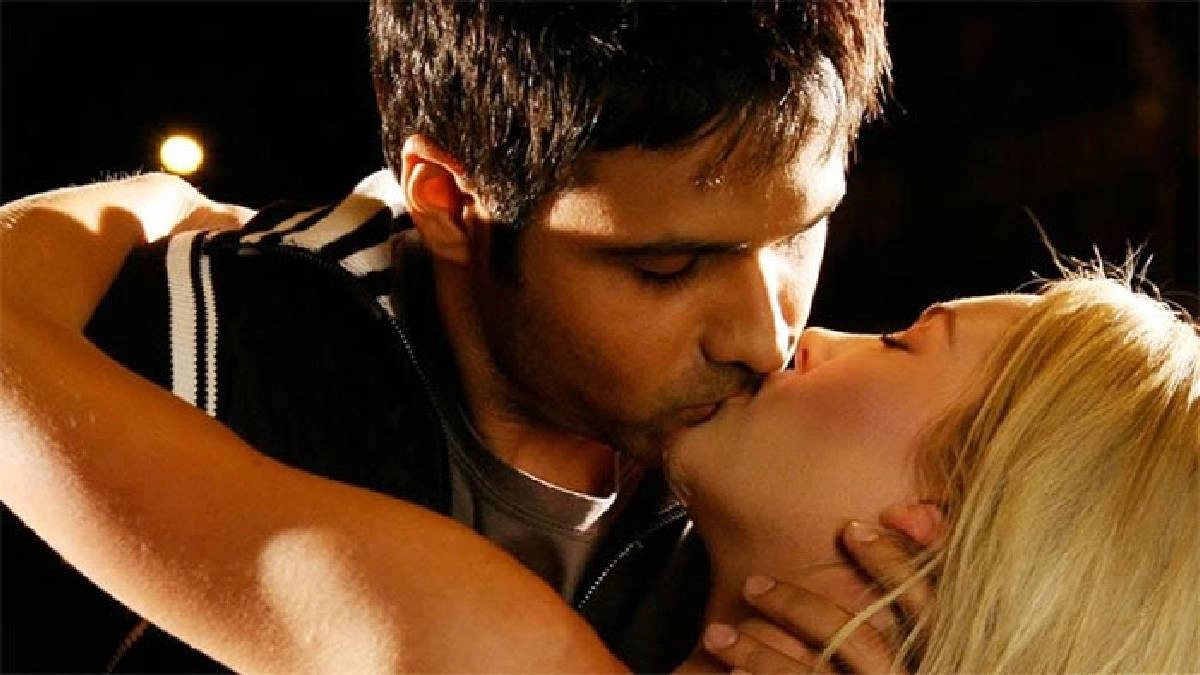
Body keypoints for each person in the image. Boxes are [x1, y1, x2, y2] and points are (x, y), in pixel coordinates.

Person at [0, 2, 914, 671]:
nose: (765, 335)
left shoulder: (802, 472)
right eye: (666, 268)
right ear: (446, 200)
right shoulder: (198, 349)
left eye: (800, 233)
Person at [4, 259, 1195, 673]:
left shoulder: (485, 644)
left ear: (951, 523)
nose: (797, 333)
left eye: (901, 341)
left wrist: (132, 206)